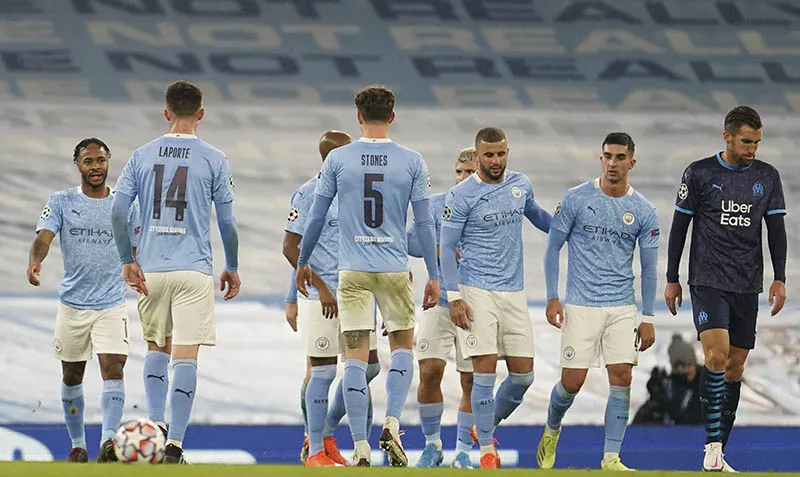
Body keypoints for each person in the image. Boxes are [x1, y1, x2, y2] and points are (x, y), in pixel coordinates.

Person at [296, 85, 441, 467]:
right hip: (393, 269)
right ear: (392, 117)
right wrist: (435, 274)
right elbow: (425, 223)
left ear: (358, 117)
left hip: (353, 272)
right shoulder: (412, 161)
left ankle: (360, 447)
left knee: (356, 362)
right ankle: (392, 423)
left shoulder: (339, 160)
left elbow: (315, 216)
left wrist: (303, 262)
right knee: (402, 349)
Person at [111, 80, 241, 464]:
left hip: (151, 268)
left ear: (166, 114)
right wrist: (231, 266)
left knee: (156, 348)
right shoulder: (214, 158)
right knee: (186, 355)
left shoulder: (141, 155)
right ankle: (176, 445)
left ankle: (155, 429)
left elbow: (118, 212)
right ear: (201, 114)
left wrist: (126, 259)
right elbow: (228, 223)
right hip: (193, 270)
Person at [664, 105, 787, 472]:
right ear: (728, 136)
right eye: (747, 142)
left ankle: (720, 448)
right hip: (707, 279)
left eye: (757, 142)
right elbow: (679, 228)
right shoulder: (699, 173)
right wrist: (672, 277)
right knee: (715, 358)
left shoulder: (767, 176)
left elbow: (776, 232)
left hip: (747, 283)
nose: (752, 149)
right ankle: (712, 448)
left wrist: (779, 277)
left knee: (734, 368)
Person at [536, 132, 659, 471]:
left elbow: (649, 268)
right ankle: (552, 429)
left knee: (622, 376)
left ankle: (611, 457)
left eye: (620, 158)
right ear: (600, 159)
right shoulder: (576, 199)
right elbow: (552, 248)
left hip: (621, 306)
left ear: (632, 162)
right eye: (608, 156)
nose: (613, 163)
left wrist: (647, 315)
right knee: (571, 383)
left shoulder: (644, 211)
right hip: (581, 304)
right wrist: (552, 296)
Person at [440, 127, 552, 469]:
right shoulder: (461, 195)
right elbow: (445, 247)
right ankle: (488, 451)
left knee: (523, 375)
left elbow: (538, 217)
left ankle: (482, 425)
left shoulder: (521, 184)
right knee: (483, 370)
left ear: (508, 152)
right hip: (476, 290)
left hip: (514, 291)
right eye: (489, 155)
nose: (496, 160)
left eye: (501, 153)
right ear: (477, 156)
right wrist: (455, 296)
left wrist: (569, 228)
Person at [27, 138, 139, 462]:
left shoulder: (124, 204)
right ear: (77, 164)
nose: (95, 167)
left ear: (109, 162)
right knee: (72, 375)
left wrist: (140, 269)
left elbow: (137, 245)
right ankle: (78, 445)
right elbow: (43, 238)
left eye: (101, 161)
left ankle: (108, 443)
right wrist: (36, 260)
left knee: (113, 366)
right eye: (88, 161)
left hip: (111, 301)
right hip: (73, 304)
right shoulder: (61, 201)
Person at [282, 130, 381, 467]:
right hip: (318, 298)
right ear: (332, 157)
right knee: (322, 373)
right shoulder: (308, 194)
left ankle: (327, 434)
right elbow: (292, 249)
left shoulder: (358, 192)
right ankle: (314, 450)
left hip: (358, 292)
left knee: (368, 368)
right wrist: (312, 289)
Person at [408, 147, 478, 469]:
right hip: (440, 300)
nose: (462, 179)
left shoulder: (490, 209)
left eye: (469, 173)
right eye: (459, 172)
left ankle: (463, 450)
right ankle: (432, 444)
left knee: (472, 380)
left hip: (477, 302)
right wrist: (442, 250)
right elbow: (409, 241)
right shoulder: (437, 205)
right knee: (429, 370)